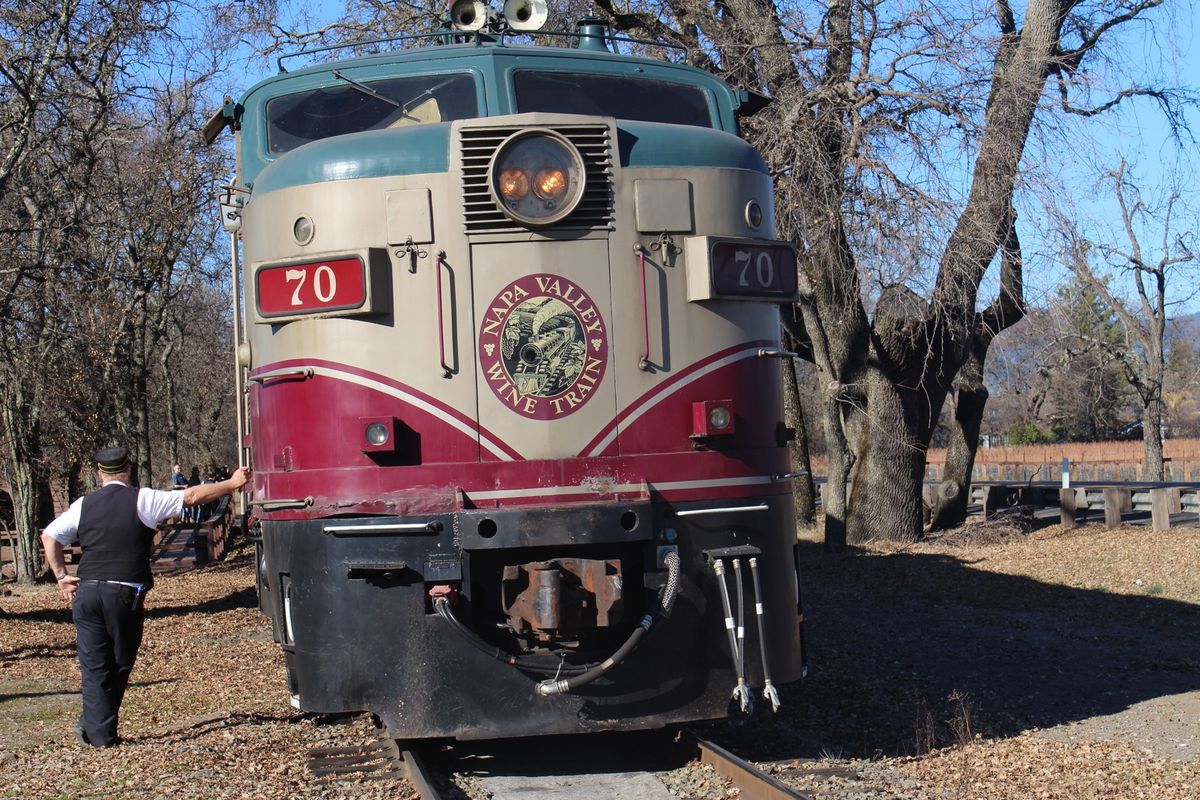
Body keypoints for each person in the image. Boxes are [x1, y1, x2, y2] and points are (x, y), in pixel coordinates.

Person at [41, 447, 250, 747]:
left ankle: (97, 728)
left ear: (100, 474)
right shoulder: (143, 499)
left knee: (94, 665)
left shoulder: (83, 504)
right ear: (128, 472)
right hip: (123, 593)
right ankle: (99, 733)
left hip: (86, 592)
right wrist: (230, 485)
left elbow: (49, 535)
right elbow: (190, 497)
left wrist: (61, 577)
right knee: (121, 660)